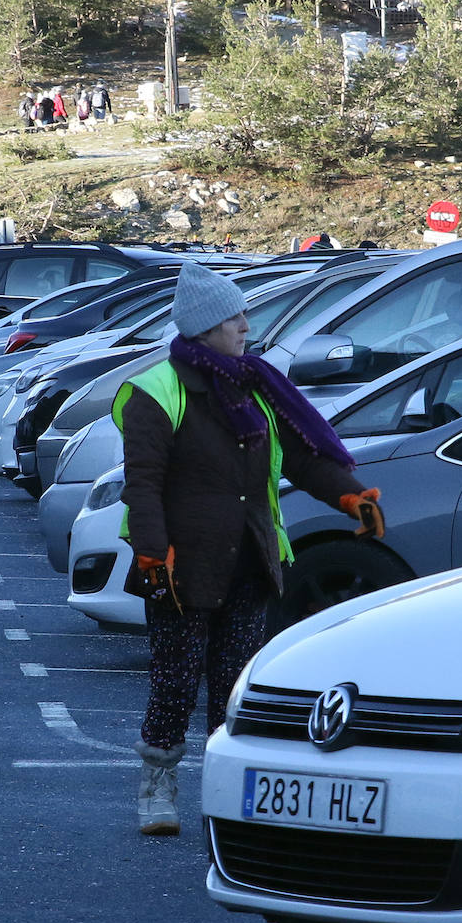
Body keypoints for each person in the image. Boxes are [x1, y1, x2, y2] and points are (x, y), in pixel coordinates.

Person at [113, 263, 385, 836]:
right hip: (180, 568)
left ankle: (222, 794)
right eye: (234, 316)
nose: (244, 324)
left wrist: (352, 497)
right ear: (206, 326)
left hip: (250, 559)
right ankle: (157, 788)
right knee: (176, 680)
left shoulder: (254, 386)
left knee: (235, 685)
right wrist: (151, 552)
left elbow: (306, 457)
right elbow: (142, 484)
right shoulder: (157, 392)